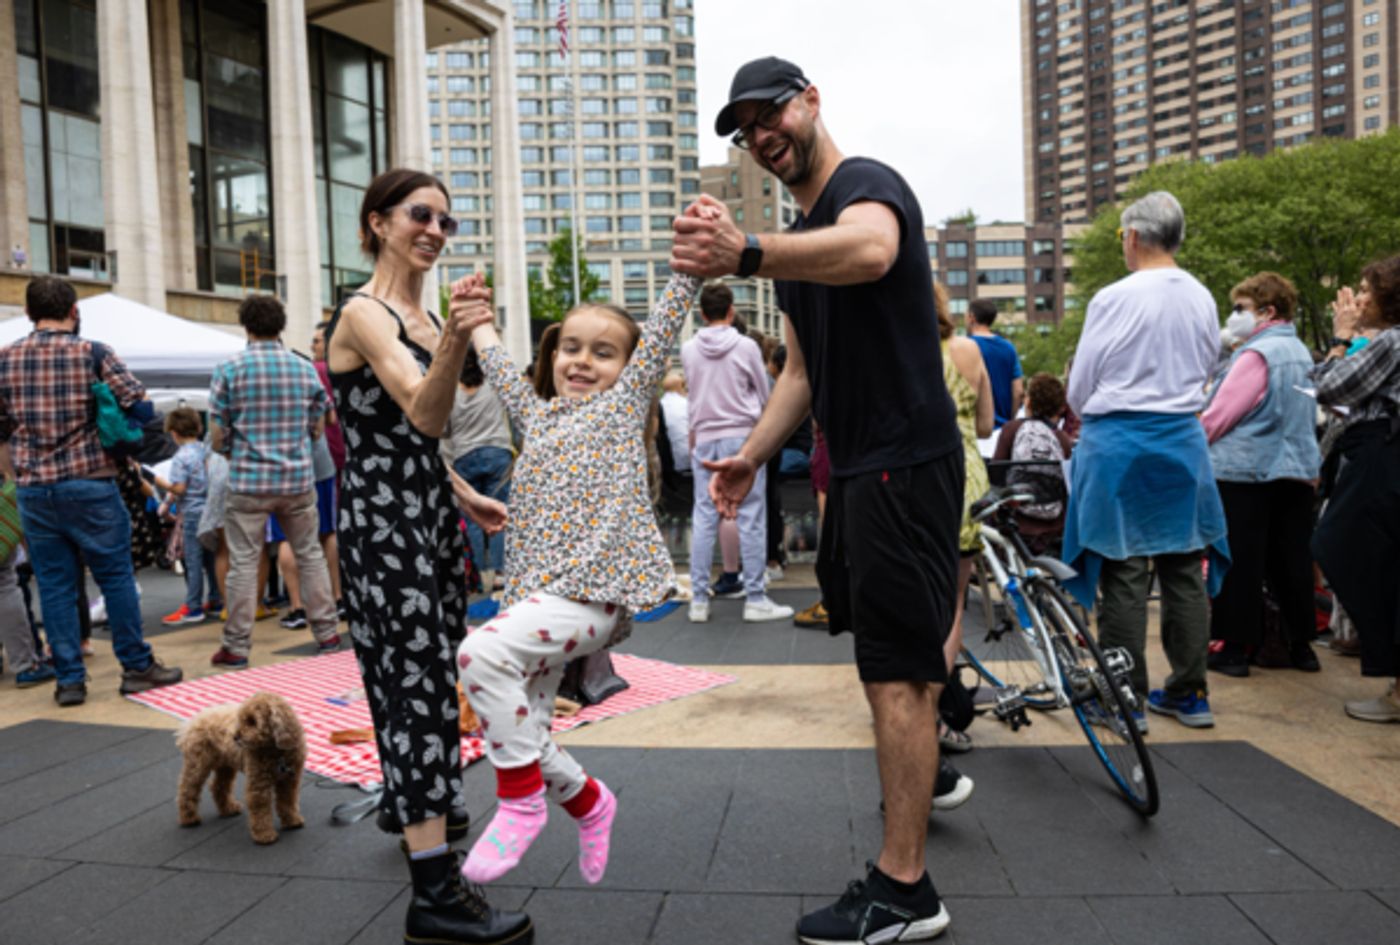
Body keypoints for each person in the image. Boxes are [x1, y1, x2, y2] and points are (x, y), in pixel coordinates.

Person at [674, 56, 968, 944]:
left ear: (811, 103)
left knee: (896, 673)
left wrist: (749, 251)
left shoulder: (864, 187)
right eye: (744, 129)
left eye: (771, 114)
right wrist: (748, 460)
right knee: (889, 665)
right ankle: (927, 773)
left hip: (905, 461)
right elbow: (799, 374)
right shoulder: (801, 246)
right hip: (864, 469)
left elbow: (874, 248)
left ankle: (904, 887)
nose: (761, 135)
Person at [324, 168, 529, 945]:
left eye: (447, 220)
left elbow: (410, 442)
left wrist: (458, 493)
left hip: (424, 517)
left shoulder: (419, 311)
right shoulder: (365, 312)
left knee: (434, 681)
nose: (437, 231)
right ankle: (434, 896)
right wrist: (452, 338)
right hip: (385, 527)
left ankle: (421, 811)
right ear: (378, 222)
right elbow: (423, 408)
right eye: (421, 215)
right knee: (415, 695)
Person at [454, 269, 701, 890]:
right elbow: (494, 355)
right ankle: (590, 802)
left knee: (479, 652)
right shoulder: (536, 418)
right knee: (525, 731)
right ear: (553, 353)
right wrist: (476, 313)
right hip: (540, 599)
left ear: (630, 369)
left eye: (603, 352)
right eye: (571, 347)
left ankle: (519, 803)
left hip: (592, 597)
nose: (582, 361)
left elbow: (666, 326)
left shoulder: (619, 412)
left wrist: (688, 270)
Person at [1062, 191, 1228, 730]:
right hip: (1182, 439)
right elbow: (1208, 367)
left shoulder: (1114, 297)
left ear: (1133, 237)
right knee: (1184, 567)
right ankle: (1189, 690)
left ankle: (1124, 696)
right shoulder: (1203, 296)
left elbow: (1081, 384)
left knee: (1124, 569)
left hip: (1119, 441)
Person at [0, 276, 182, 706]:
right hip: (91, 483)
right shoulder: (93, 353)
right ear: (73, 311)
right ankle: (136, 666)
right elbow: (141, 406)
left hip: (34, 490)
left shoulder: (6, 360)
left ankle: (69, 680)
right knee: (114, 575)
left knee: (55, 584)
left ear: (28, 313)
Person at [1200, 273, 1322, 677]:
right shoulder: (1301, 353)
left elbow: (1221, 414)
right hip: (1297, 469)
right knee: (1292, 560)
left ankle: (1234, 648)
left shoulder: (1256, 355)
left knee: (1240, 561)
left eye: (1241, 309)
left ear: (1267, 311)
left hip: (1244, 470)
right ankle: (1299, 645)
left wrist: (1196, 439)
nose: (1234, 317)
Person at [209, 295, 341, 666]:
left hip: (248, 482)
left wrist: (234, 450)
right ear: (281, 326)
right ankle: (327, 632)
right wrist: (300, 439)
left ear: (246, 326)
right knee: (310, 554)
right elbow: (324, 422)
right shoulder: (303, 369)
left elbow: (217, 433)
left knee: (244, 563)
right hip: (297, 479)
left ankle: (236, 646)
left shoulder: (229, 369)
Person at [1312, 254, 1400, 723]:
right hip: (1380, 454)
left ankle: (1388, 660)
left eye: (1367, 290)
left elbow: (1329, 388)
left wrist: (1341, 338)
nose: (1357, 298)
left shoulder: (1388, 342)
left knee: (1339, 545)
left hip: (1381, 457)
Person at [683, 282, 791, 623]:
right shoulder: (745, 347)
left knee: (703, 516)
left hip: (704, 437)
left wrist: (694, 434)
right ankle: (755, 597)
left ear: (702, 313)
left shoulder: (688, 350)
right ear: (731, 310)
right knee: (750, 515)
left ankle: (699, 600)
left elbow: (692, 395)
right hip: (742, 436)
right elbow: (763, 393)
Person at [935, 283, 993, 743]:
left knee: (914, 602)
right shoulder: (969, 350)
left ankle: (911, 705)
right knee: (953, 604)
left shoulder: (902, 351)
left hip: (915, 479)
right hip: (966, 476)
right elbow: (987, 423)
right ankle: (935, 710)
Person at [442, 343, 513, 596]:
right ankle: (501, 574)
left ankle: (479, 574)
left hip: (464, 456)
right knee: (499, 513)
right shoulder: (493, 384)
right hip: (497, 451)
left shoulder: (451, 391)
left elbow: (445, 430)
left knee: (473, 515)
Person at [992, 373, 1075, 553]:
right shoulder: (1062, 439)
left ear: (1028, 402)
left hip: (1017, 528)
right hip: (1054, 530)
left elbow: (996, 475)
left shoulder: (1010, 430)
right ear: (1059, 407)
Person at [154, 408, 221, 624]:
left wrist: (158, 481)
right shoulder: (205, 450)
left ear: (174, 432)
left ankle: (193, 606)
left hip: (191, 512)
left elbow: (179, 488)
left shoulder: (180, 457)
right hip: (210, 509)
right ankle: (216, 597)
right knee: (211, 558)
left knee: (192, 561)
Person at [966, 298, 1024, 431]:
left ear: (971, 317)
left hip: (975, 428)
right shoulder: (1009, 348)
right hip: (1003, 430)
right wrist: (1010, 420)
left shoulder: (966, 347)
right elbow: (1018, 391)